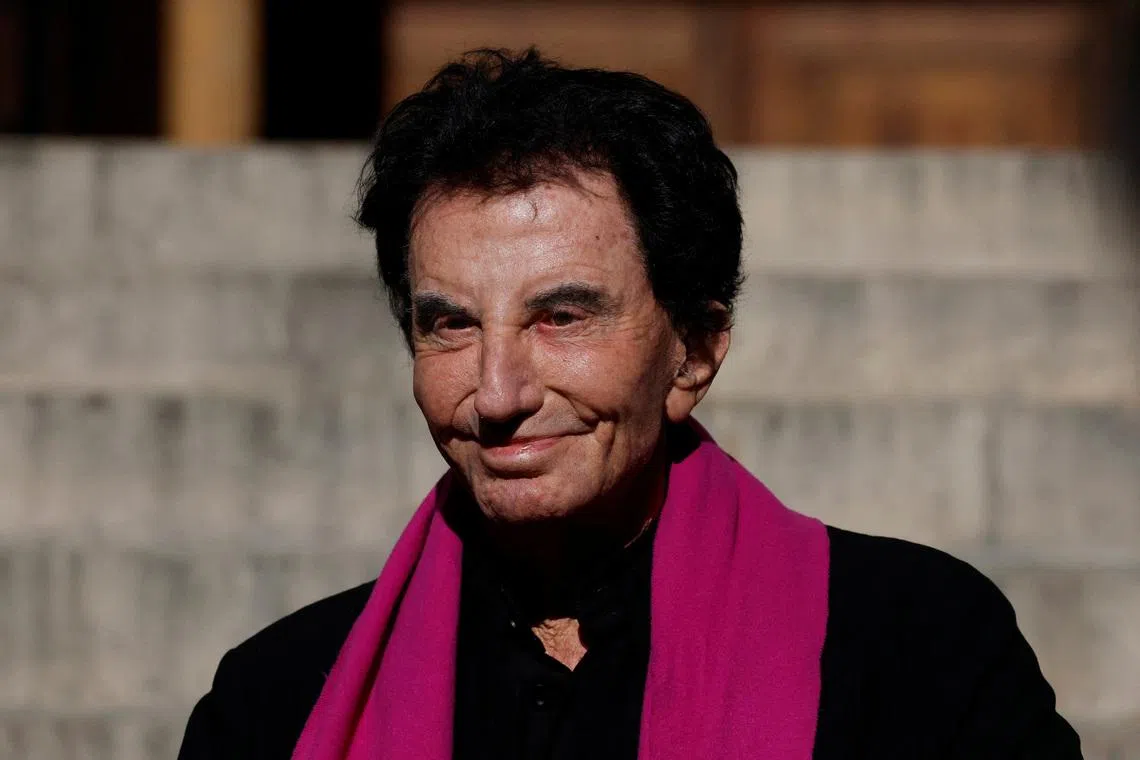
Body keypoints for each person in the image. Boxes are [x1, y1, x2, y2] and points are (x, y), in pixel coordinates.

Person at [177, 49, 1083, 760]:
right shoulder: (280, 700)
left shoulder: (917, 651)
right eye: (449, 325)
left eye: (562, 316)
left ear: (693, 351)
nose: (498, 394)